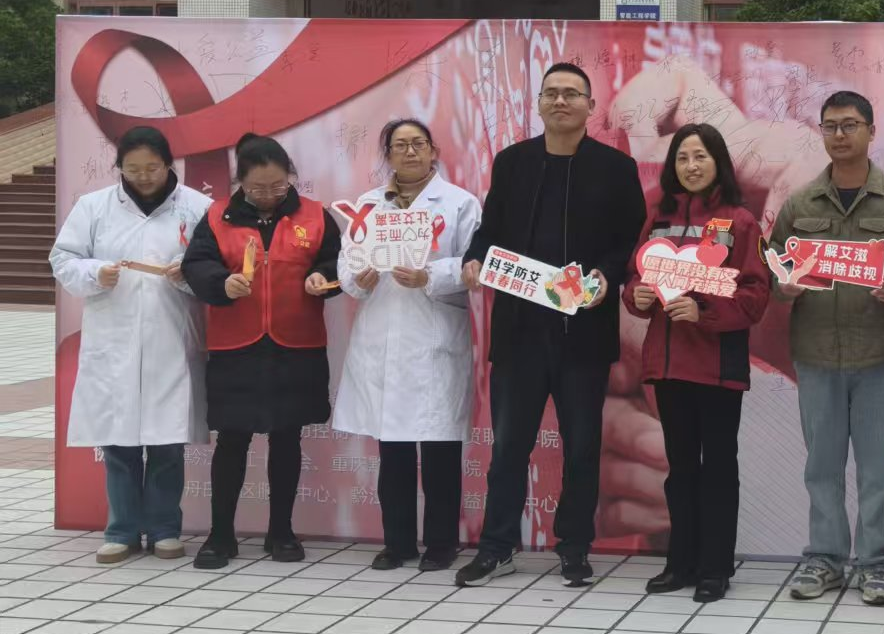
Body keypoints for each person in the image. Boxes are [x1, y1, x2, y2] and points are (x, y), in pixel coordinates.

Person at [456, 62, 647, 588]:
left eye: (572, 93)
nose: (561, 101)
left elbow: (630, 239)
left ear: (590, 106)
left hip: (583, 333)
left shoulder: (615, 168)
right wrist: (475, 258)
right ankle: (497, 547)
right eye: (552, 93)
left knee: (581, 447)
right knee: (508, 447)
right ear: (539, 103)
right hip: (519, 333)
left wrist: (608, 275)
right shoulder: (513, 162)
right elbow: (490, 231)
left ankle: (575, 546)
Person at [770, 90, 884, 606]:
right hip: (815, 353)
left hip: (878, 355)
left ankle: (874, 564)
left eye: (849, 125)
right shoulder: (800, 203)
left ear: (871, 131)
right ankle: (825, 559)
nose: (839, 135)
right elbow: (774, 262)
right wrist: (784, 285)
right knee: (821, 466)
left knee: (875, 468)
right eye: (830, 126)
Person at [51, 126, 213, 564]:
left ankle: (165, 529)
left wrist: (188, 275)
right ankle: (121, 530)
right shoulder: (93, 206)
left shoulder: (197, 207)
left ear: (169, 165)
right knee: (118, 443)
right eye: (133, 168)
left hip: (171, 336)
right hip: (114, 338)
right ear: (118, 166)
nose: (143, 177)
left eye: (152, 168)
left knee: (167, 441)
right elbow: (63, 258)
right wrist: (95, 273)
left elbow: (215, 266)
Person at [622, 124, 770, 603]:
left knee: (719, 468)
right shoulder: (658, 218)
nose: (691, 166)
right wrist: (637, 296)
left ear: (718, 162)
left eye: (700, 156)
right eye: (683, 157)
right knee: (681, 468)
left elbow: (754, 295)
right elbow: (635, 277)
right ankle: (679, 562)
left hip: (719, 367)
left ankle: (715, 568)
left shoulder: (739, 222)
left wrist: (703, 311)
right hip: (667, 366)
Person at [181, 133, 341, 569]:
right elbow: (196, 265)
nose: (269, 195)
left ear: (290, 177)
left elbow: (337, 262)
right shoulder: (217, 217)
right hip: (237, 345)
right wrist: (222, 283)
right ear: (241, 183)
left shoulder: (316, 215)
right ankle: (220, 535)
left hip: (296, 344)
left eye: (278, 186)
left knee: (287, 437)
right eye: (258, 188)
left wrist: (322, 278)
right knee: (232, 439)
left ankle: (281, 532)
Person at [334, 119, 482, 572]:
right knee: (393, 452)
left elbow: (473, 264)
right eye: (400, 145)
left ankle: (441, 543)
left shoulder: (459, 203)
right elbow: (347, 262)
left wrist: (430, 275)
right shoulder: (367, 205)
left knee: (439, 451)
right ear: (388, 155)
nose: (410, 152)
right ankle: (397, 543)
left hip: (434, 335)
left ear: (434, 150)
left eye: (418, 143)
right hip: (382, 336)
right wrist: (356, 281)